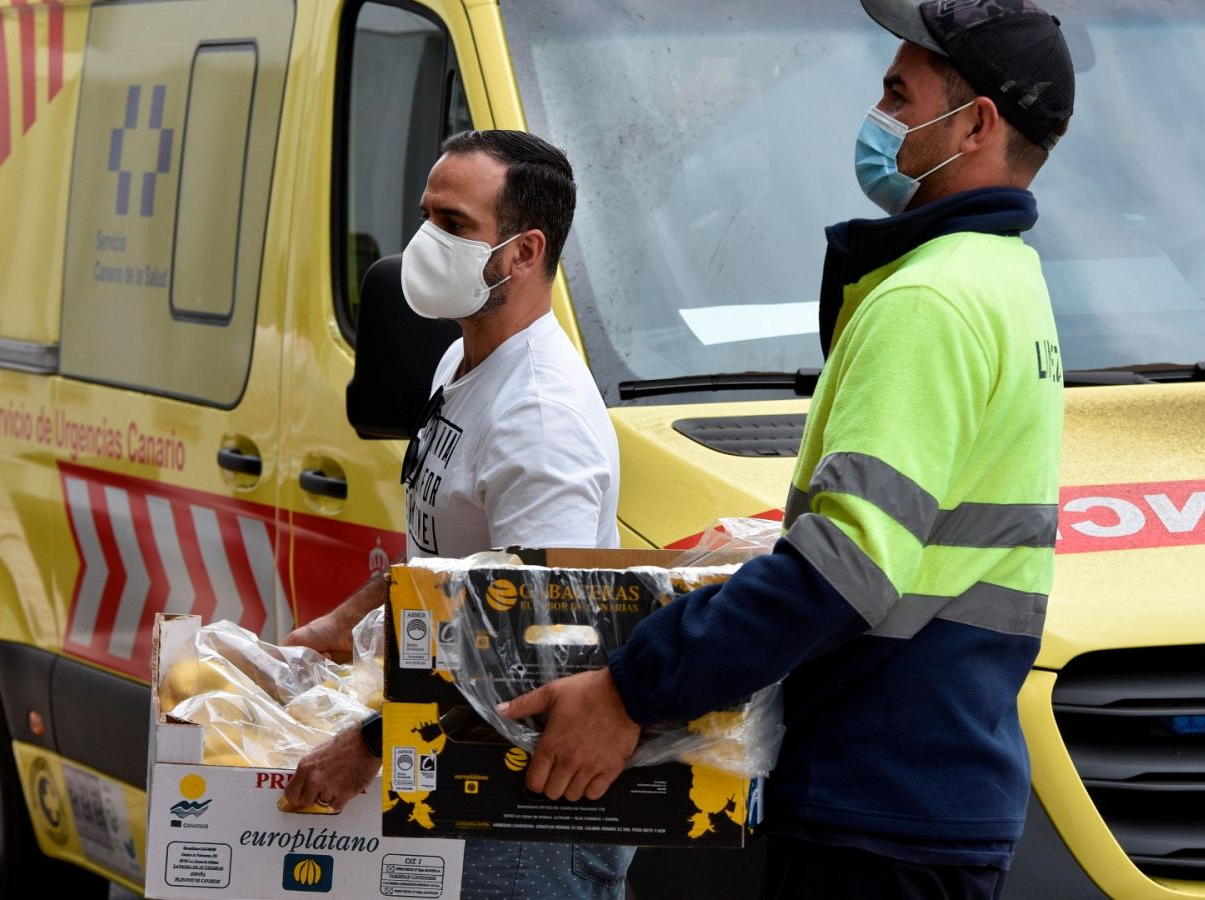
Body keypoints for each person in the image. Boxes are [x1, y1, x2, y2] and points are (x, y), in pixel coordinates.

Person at [499, 2, 1074, 897]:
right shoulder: (1008, 280)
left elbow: (842, 570)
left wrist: (627, 690)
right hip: (938, 785)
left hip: (877, 804)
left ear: (976, 124)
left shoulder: (929, 302)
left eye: (898, 91)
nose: (877, 111)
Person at [281, 130, 634, 900]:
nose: (423, 243)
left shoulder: (540, 419)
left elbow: (527, 639)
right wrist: (345, 620)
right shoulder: (464, 359)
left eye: (453, 224)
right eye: (424, 216)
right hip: (457, 767)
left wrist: (368, 744)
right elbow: (460, 566)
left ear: (523, 251)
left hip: (525, 808)